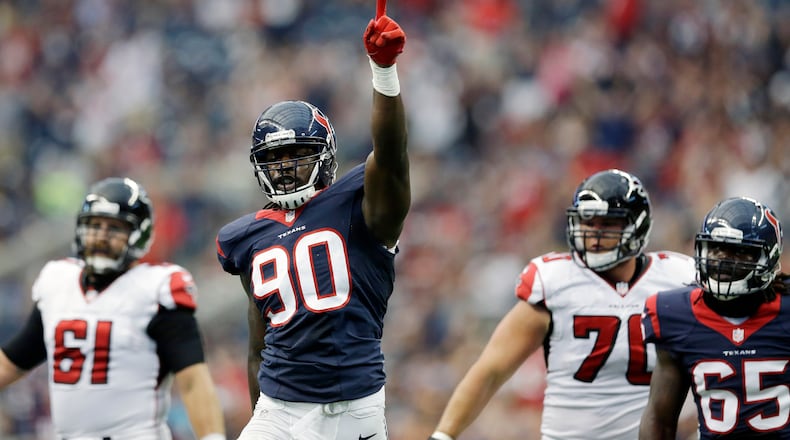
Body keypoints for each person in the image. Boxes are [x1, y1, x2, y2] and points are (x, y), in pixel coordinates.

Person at [214, 11, 408, 440]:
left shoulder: (358, 207)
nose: (285, 167)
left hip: (355, 406)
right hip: (279, 410)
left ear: (325, 154)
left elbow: (392, 154)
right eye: (274, 158)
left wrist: (384, 72)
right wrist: (260, 415)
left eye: (297, 153)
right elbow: (258, 347)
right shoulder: (246, 237)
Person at [429, 169, 698, 440]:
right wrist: (443, 435)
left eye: (607, 223)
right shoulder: (555, 282)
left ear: (637, 225)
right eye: (588, 222)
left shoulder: (676, 278)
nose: (594, 234)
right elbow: (492, 369)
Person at [0, 177, 226, 440]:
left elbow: (192, 380)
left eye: (114, 228)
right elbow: (13, 362)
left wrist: (212, 437)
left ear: (139, 234)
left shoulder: (156, 290)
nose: (101, 237)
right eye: (95, 225)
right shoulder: (58, 282)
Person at [640, 196, 790, 439]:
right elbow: (660, 419)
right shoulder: (676, 314)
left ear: (769, 257)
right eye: (716, 248)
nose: (722, 259)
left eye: (739, 251)